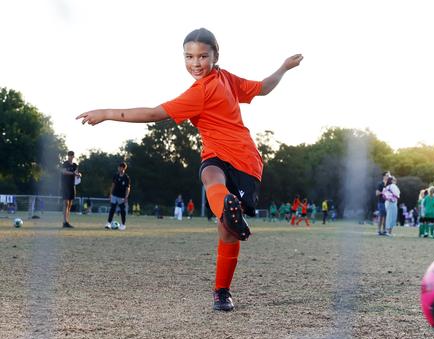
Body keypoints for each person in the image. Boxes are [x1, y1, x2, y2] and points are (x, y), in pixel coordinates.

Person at [77, 27, 303, 312]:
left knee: (226, 232)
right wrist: (283, 67)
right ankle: (222, 274)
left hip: (245, 161)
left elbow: (154, 114)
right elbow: (265, 87)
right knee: (209, 175)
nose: (195, 63)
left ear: (215, 56)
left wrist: (107, 113)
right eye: (189, 57)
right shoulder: (221, 78)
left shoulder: (210, 87)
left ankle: (222, 285)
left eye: (202, 56)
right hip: (216, 154)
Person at [104, 162, 131, 230]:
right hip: (114, 195)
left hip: (121, 197)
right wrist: (110, 194)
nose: (118, 168)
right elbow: (113, 185)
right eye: (118, 167)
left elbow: (128, 188)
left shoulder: (126, 177)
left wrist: (126, 197)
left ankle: (123, 225)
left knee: (122, 210)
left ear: (123, 168)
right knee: (112, 209)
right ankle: (108, 223)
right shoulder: (116, 175)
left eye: (119, 167)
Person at [60, 151, 81, 228]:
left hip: (72, 186)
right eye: (69, 155)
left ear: (73, 156)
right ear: (68, 156)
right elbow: (64, 172)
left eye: (72, 155)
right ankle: (64, 222)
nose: (70, 156)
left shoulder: (75, 165)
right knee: (65, 203)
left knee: (69, 204)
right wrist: (73, 173)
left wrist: (79, 175)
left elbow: (77, 173)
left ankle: (67, 221)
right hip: (65, 186)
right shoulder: (65, 164)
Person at [375, 171, 390, 235]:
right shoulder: (380, 184)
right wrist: (383, 192)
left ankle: (384, 231)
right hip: (381, 202)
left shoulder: (389, 184)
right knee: (381, 216)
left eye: (388, 175)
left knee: (386, 217)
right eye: (387, 175)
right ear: (384, 176)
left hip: (387, 203)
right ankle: (379, 230)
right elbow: (377, 193)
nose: (388, 176)